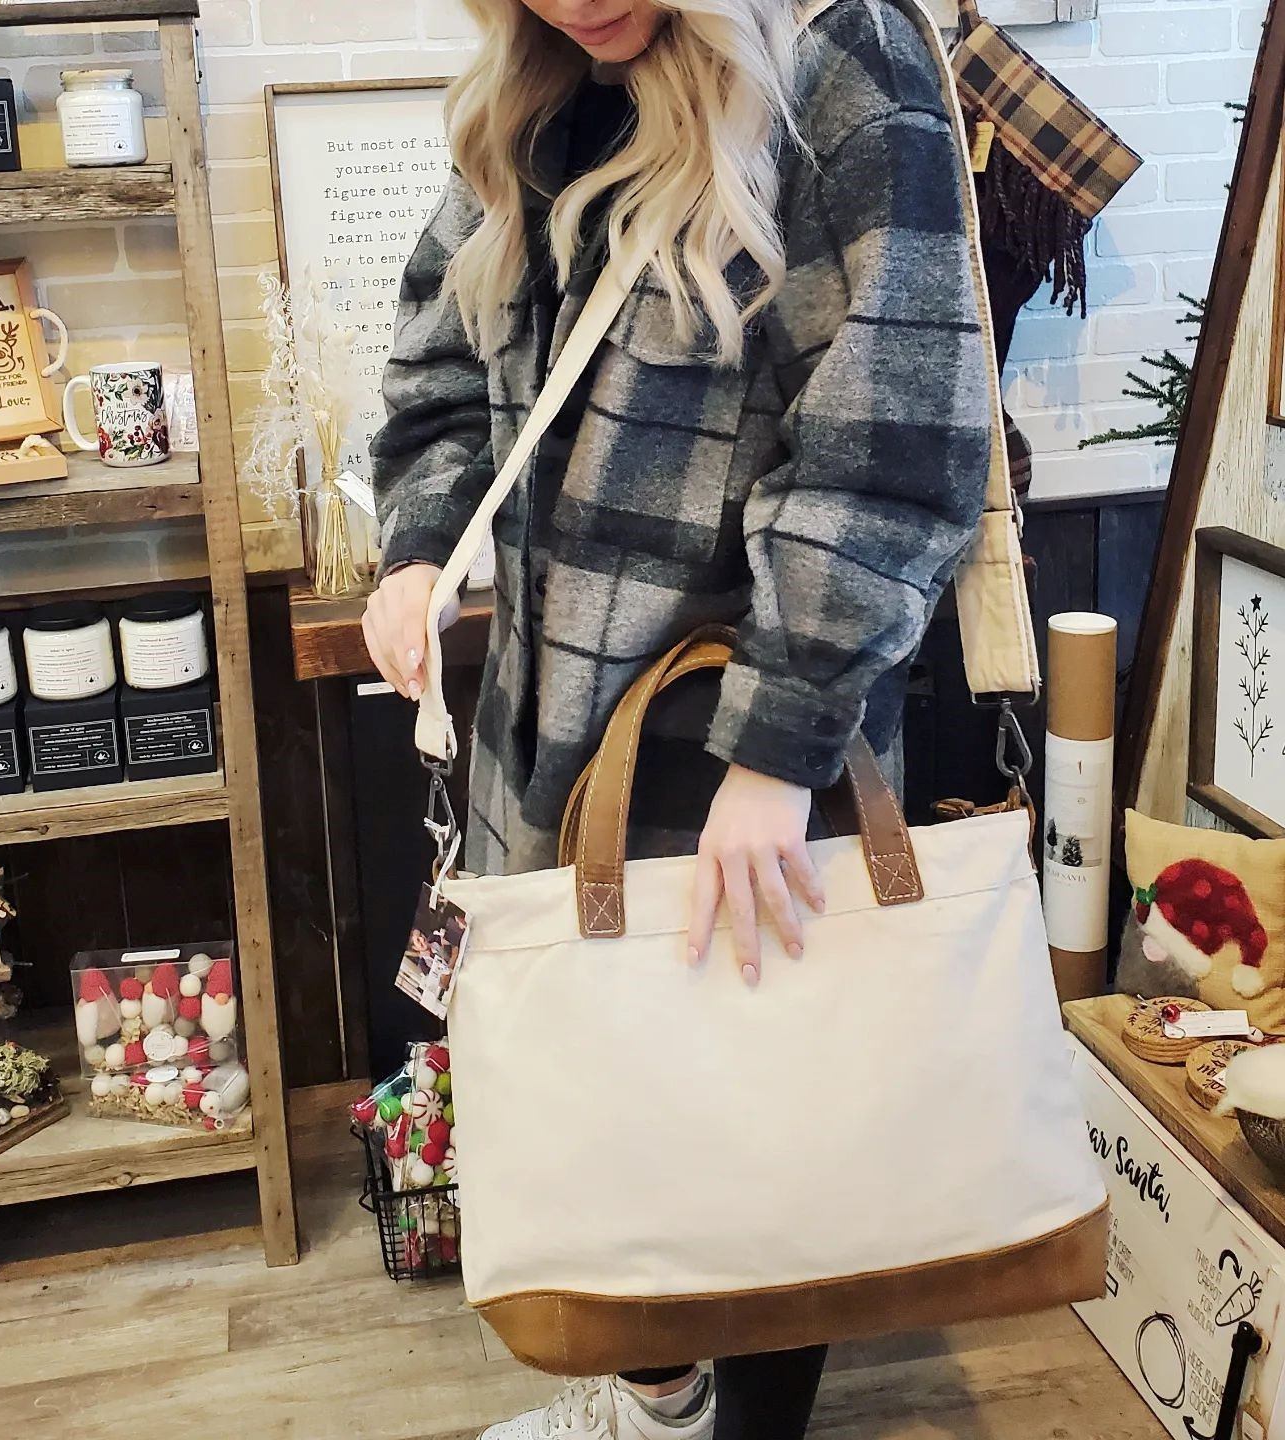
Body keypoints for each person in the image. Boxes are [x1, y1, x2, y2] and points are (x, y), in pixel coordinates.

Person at [365, 0, 995, 1435]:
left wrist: (780, 752)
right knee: (627, 1132)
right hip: (553, 738)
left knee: (767, 1157)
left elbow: (894, 437)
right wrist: (423, 548)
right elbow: (440, 362)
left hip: (738, 746)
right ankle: (654, 1408)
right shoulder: (534, 89)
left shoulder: (847, 57)